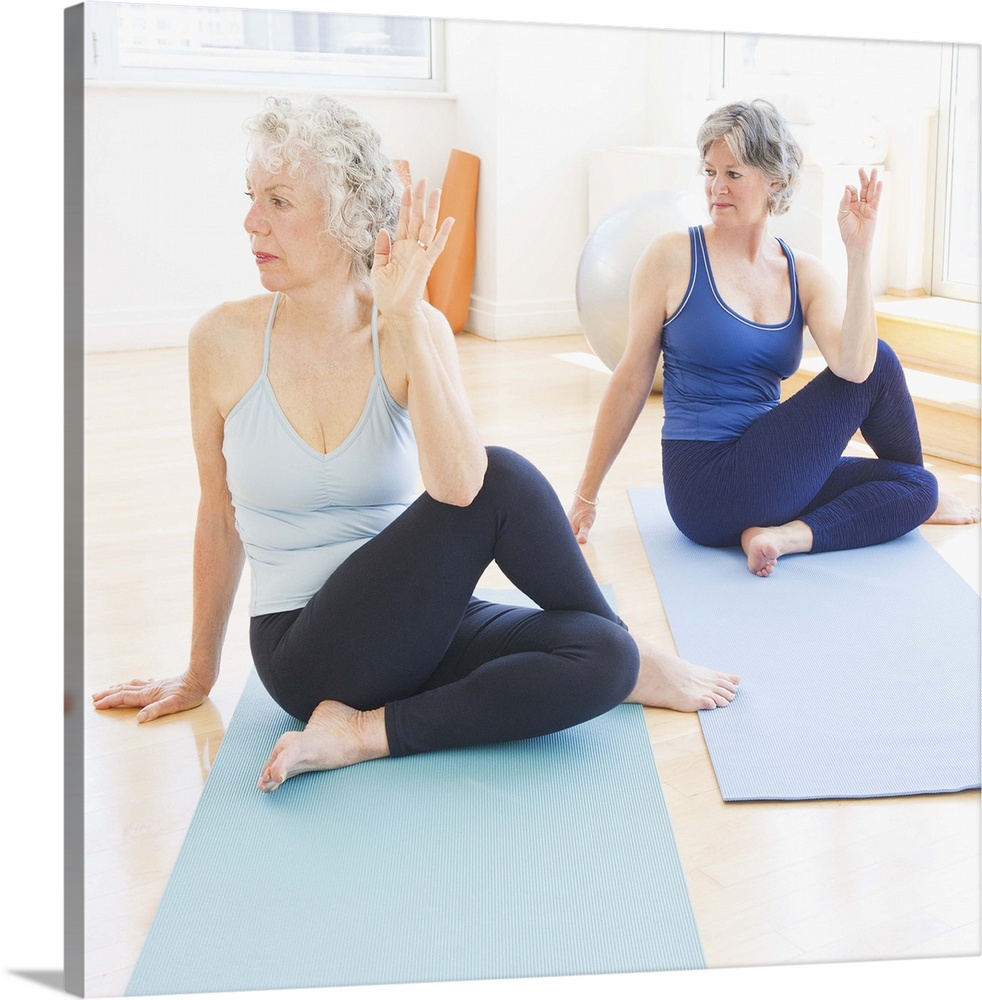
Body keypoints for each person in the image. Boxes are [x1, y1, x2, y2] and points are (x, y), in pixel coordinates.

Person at [92, 96, 737, 794]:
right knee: (511, 477)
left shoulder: (412, 327)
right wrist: (199, 671)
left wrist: (401, 317)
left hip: (418, 623)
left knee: (601, 656)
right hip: (307, 649)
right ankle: (640, 659)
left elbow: (457, 482)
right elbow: (219, 516)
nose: (251, 222)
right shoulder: (219, 341)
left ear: (345, 220)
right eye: (253, 198)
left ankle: (370, 731)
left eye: (278, 201)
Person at [570, 99, 979, 578]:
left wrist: (860, 254)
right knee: (886, 368)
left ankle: (784, 536)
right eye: (709, 172)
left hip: (774, 473)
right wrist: (585, 493)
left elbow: (853, 366)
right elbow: (631, 378)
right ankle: (902, 495)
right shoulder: (672, 257)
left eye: (733, 175)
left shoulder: (803, 272)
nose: (715, 188)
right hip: (704, 483)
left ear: (775, 181)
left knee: (916, 484)